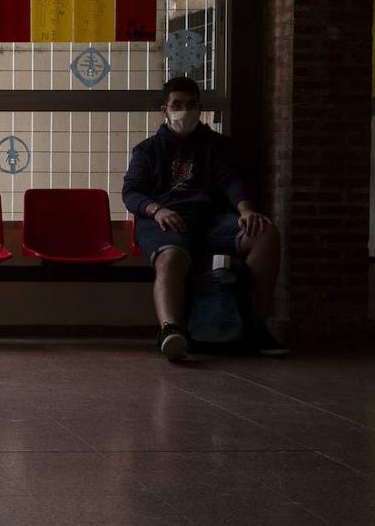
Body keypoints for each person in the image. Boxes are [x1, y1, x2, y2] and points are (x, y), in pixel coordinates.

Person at [123, 76, 287, 361]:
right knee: (170, 257)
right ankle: (171, 331)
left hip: (211, 221)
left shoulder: (217, 145)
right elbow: (131, 193)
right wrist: (157, 210)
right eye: (177, 104)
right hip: (163, 221)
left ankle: (255, 328)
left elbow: (230, 180)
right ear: (165, 109)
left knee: (265, 234)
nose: (184, 110)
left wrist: (246, 210)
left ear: (200, 108)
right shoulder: (147, 150)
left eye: (191, 104)